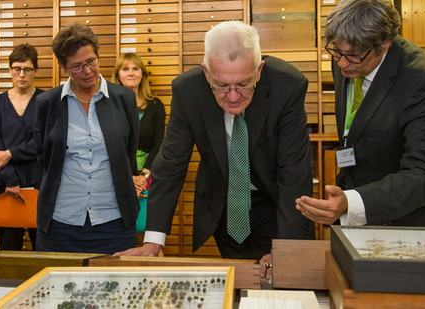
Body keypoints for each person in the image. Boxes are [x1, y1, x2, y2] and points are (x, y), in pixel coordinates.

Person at [114, 20, 315, 279]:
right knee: (241, 282)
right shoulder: (188, 90)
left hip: (276, 206)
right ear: (207, 73)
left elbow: (294, 172)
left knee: (283, 282)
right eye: (221, 85)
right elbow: (171, 164)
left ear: (259, 70)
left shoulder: (288, 86)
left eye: (244, 84)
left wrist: (287, 249)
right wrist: (153, 241)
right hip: (226, 210)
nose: (233, 96)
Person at [295, 0, 425, 227]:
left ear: (384, 44)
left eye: (353, 55)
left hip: (402, 223)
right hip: (353, 210)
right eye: (336, 52)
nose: (342, 64)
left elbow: (424, 174)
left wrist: (352, 203)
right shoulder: (347, 54)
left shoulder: (422, 80)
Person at [34, 23, 140, 254]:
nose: (88, 71)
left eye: (91, 61)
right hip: (59, 223)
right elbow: (43, 156)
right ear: (63, 66)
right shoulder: (47, 103)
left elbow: (128, 153)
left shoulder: (124, 99)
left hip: (114, 222)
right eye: (77, 66)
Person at [0, 43, 43, 251]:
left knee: (43, 248)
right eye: (17, 68)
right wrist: (10, 179)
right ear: (10, 69)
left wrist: (10, 153)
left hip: (38, 183)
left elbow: (43, 142)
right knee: (9, 250)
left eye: (27, 69)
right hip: (5, 183)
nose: (22, 74)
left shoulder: (45, 100)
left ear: (35, 71)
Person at [111, 52, 166, 195]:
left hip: (149, 175)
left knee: (146, 217)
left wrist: (144, 177)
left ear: (142, 74)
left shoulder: (155, 105)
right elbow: (109, 145)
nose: (131, 73)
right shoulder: (109, 106)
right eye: (125, 69)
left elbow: (159, 143)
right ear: (118, 75)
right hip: (117, 176)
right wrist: (129, 177)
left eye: (135, 69)